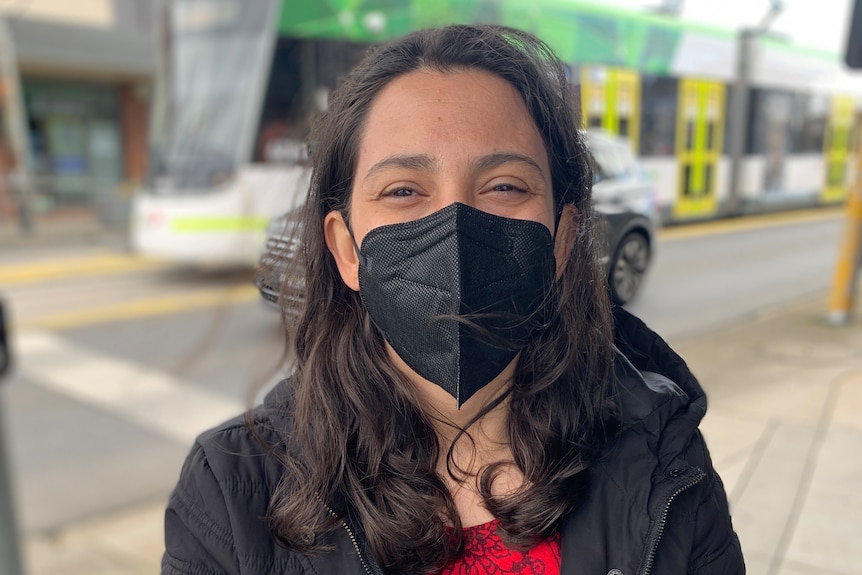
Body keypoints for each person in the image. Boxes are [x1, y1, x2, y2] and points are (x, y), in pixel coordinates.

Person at [162, 24, 745, 575]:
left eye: (505, 186)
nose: (455, 228)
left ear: (562, 242)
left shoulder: (667, 463)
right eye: (403, 190)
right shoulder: (229, 491)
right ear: (345, 250)